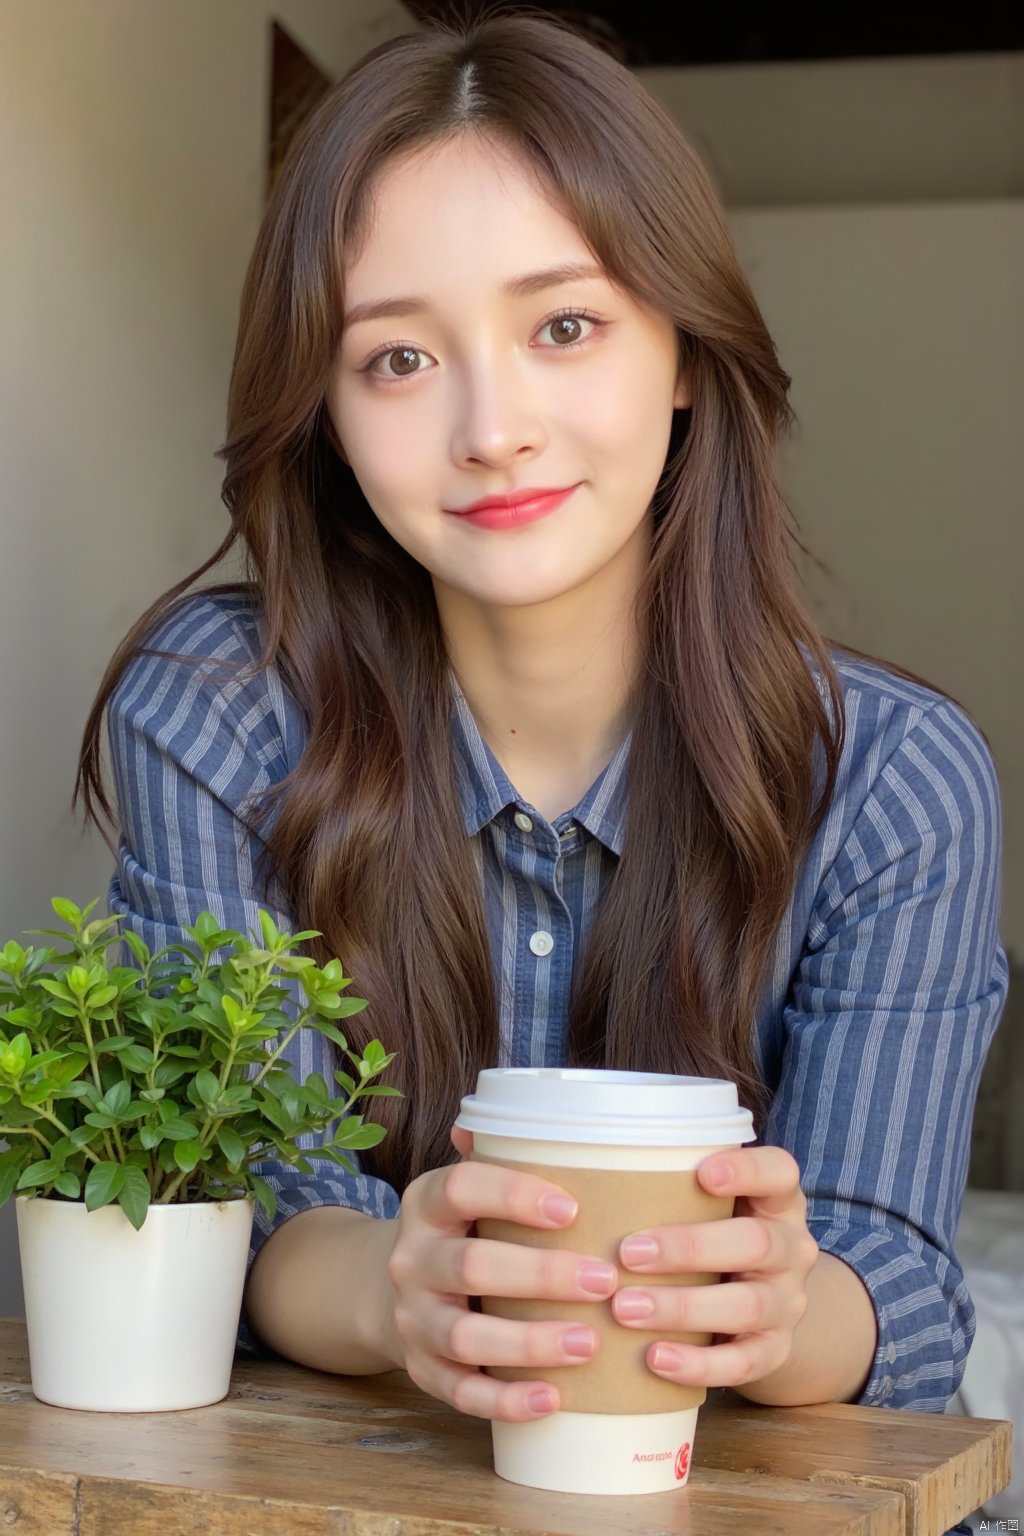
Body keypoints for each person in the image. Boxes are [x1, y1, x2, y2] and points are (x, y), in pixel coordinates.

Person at [75, 6, 1007, 1462]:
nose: (492, 427)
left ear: (687, 354)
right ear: (321, 410)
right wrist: (405, 1292)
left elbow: (898, 1294)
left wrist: (781, 1306)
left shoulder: (893, 782)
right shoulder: (219, 717)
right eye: (396, 359)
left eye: (564, 325)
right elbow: (251, 1212)